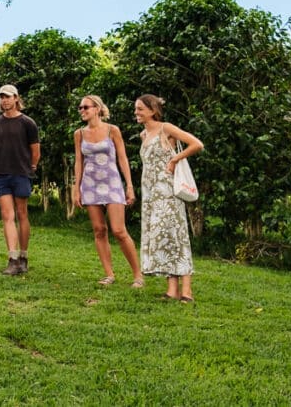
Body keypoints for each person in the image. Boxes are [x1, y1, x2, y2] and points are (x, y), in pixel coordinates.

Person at [134, 94, 204, 302]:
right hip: (151, 195)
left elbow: (196, 144)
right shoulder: (143, 135)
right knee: (163, 238)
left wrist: (175, 158)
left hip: (168, 193)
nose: (136, 113)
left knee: (176, 235)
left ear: (152, 111)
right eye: (136, 109)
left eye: (140, 109)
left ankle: (187, 291)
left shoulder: (166, 128)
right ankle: (172, 289)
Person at [73, 95, 144, 287]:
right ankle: (109, 274)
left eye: (85, 107)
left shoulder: (113, 130)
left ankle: (138, 275)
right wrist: (76, 189)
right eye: (80, 108)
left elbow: (122, 159)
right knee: (99, 230)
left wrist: (129, 186)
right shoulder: (79, 133)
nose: (82, 110)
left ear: (97, 108)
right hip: (90, 185)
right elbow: (78, 162)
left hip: (112, 183)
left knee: (119, 230)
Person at [0, 84, 40, 275]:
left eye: (8, 97)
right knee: (7, 216)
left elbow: (35, 151)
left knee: (22, 214)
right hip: (1, 174)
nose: (4, 100)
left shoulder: (28, 123)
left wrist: (30, 167)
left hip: (21, 173)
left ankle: (24, 256)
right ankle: (13, 258)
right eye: (2, 97)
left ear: (16, 98)